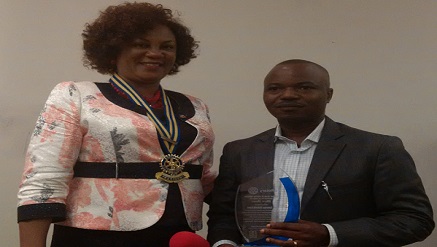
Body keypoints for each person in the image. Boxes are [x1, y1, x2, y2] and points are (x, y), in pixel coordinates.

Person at [17, 2, 215, 247]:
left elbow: (204, 176)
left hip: (178, 235)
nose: (155, 53)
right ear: (113, 49)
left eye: (167, 47)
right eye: (141, 44)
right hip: (95, 236)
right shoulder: (75, 95)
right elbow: (45, 179)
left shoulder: (196, 106)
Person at [207, 59, 434, 247]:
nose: (287, 95)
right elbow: (223, 215)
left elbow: (414, 220)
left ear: (329, 94)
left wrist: (329, 234)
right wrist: (224, 243)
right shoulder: (239, 151)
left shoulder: (378, 148)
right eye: (274, 88)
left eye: (304, 87)